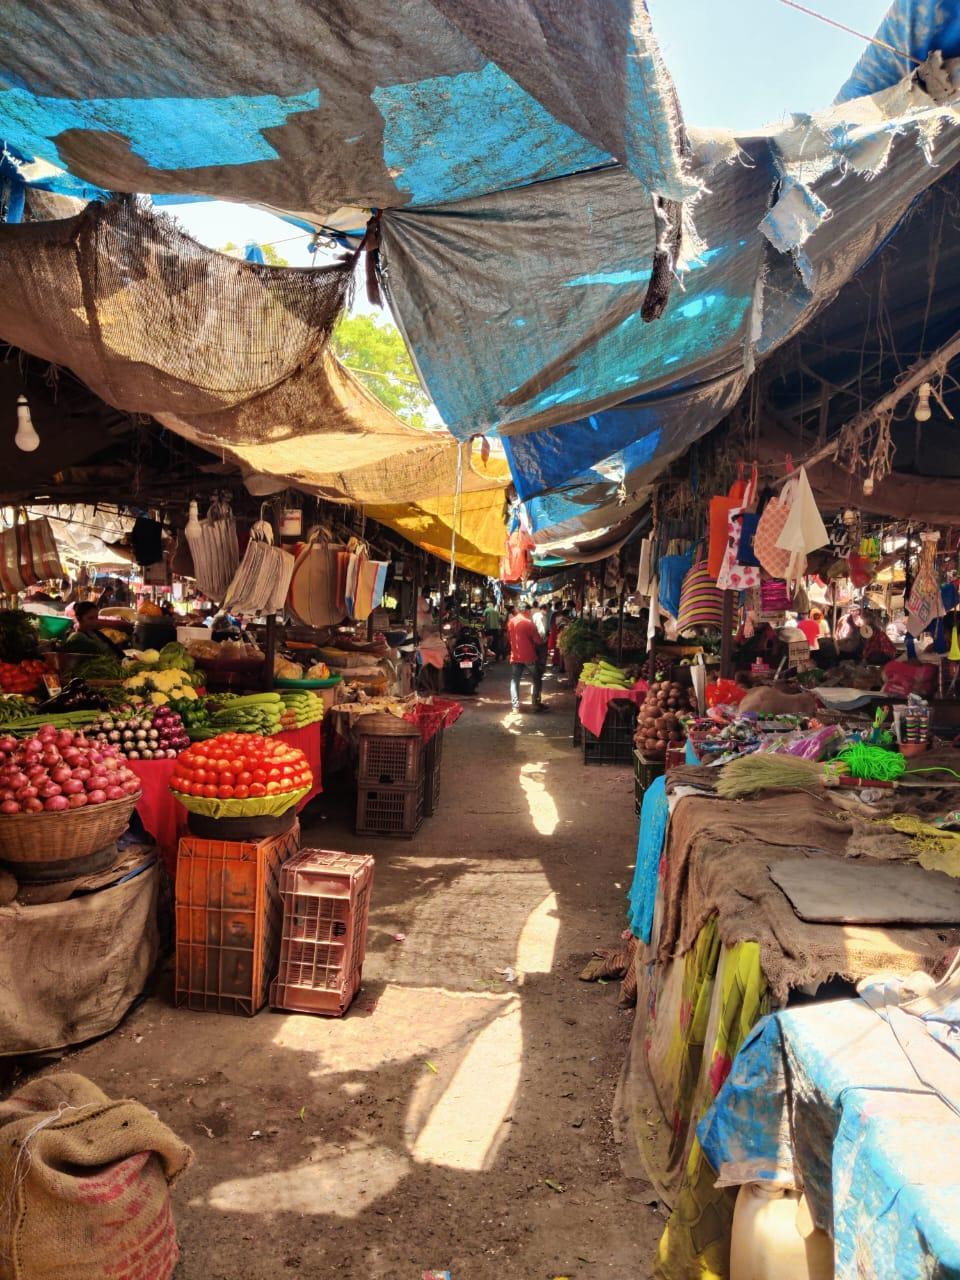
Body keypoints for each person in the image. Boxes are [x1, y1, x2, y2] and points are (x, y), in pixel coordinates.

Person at [508, 603, 547, 713]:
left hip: (515, 656)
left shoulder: (511, 622)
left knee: (515, 680)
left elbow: (509, 639)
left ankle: (515, 706)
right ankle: (535, 704)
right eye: (529, 611)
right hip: (529, 656)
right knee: (536, 679)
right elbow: (538, 641)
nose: (530, 613)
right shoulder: (529, 623)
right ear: (526, 611)